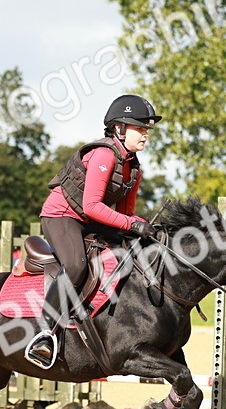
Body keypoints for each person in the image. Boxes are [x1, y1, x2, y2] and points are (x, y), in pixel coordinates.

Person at [23, 94, 161, 368]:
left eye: (147, 130)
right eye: (140, 129)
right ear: (119, 129)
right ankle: (44, 333)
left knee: (134, 250)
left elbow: (124, 214)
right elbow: (93, 206)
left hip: (89, 219)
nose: (146, 135)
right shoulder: (103, 155)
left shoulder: (133, 167)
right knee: (76, 265)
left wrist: (145, 227)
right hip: (62, 216)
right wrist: (133, 224)